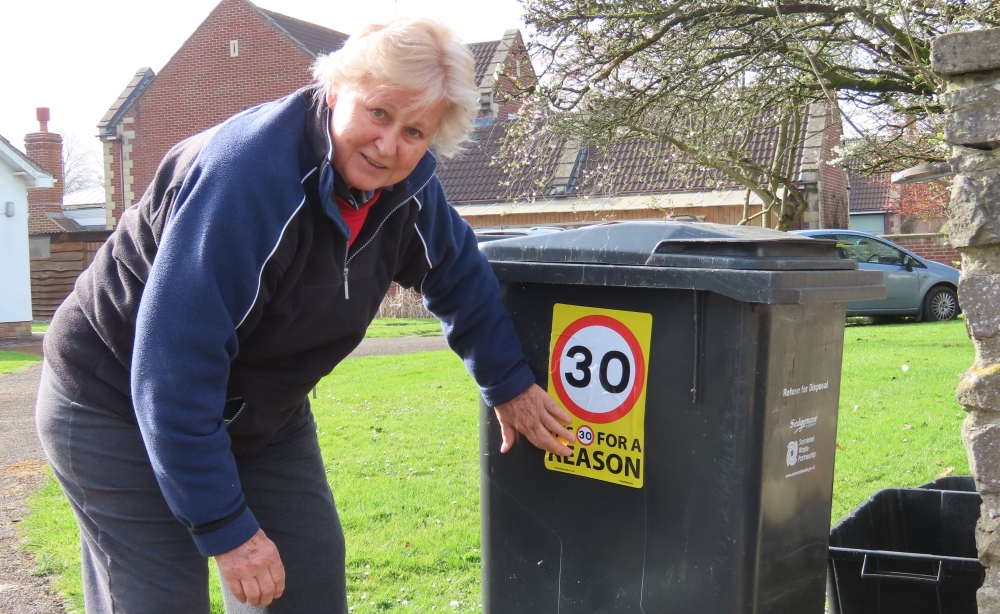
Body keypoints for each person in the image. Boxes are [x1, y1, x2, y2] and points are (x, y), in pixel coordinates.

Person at [36, 18, 574, 614]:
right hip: (114, 401)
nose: (389, 145)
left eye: (415, 131)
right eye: (378, 113)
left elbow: (460, 277)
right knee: (158, 597)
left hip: (262, 410)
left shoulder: (409, 189)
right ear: (337, 89)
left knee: (305, 584)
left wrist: (509, 384)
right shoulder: (247, 179)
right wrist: (227, 529)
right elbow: (172, 370)